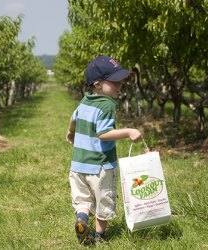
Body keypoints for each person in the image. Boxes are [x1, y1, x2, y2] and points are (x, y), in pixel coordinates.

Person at [66, 55, 143, 244]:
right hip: (100, 166)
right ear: (98, 84)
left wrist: (70, 132)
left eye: (121, 81)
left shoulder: (85, 101)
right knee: (104, 201)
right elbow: (104, 133)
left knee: (83, 199)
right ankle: (100, 238)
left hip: (78, 165)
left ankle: (82, 219)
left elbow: (73, 117)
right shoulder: (107, 105)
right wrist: (128, 132)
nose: (119, 85)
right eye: (114, 81)